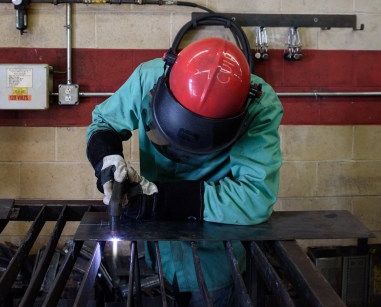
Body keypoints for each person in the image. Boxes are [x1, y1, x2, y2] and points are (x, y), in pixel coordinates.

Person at [86, 16, 283, 306]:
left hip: (216, 259)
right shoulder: (147, 77)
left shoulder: (259, 106)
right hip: (158, 254)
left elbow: (256, 197)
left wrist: (160, 200)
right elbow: (103, 122)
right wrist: (108, 158)